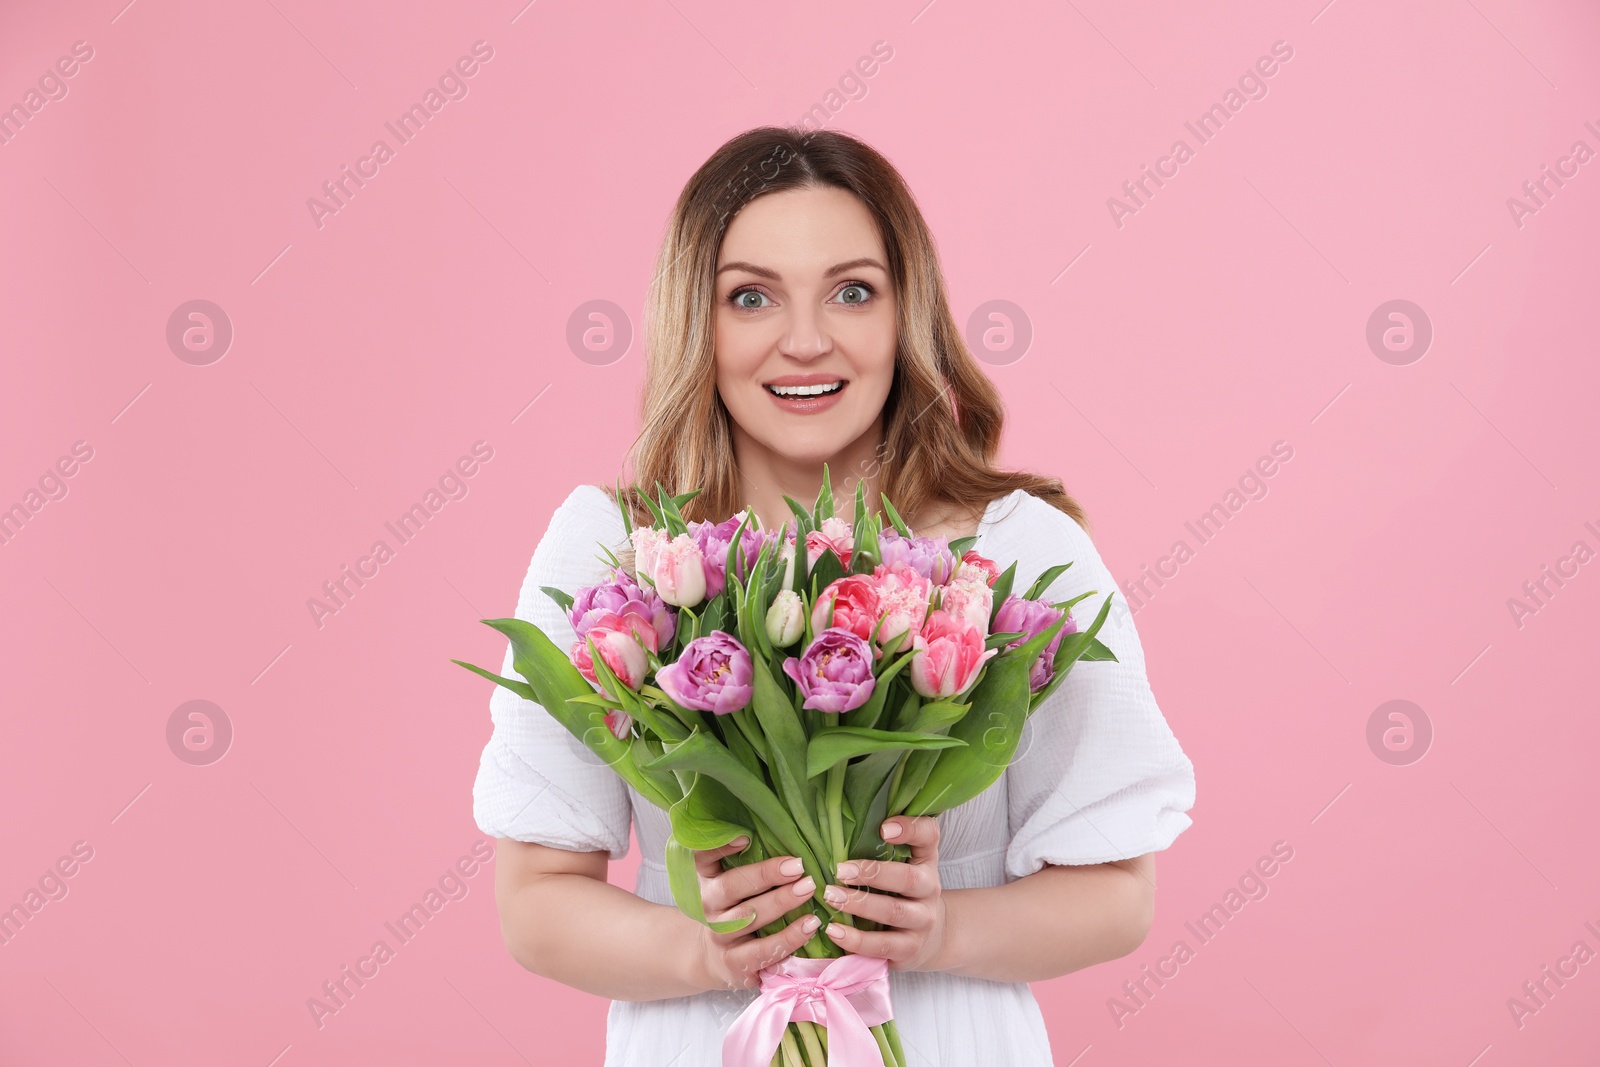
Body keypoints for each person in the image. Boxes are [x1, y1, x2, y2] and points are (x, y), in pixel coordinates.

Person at [472, 126, 1196, 1066]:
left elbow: (1118, 894)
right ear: (699, 319)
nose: (805, 340)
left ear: (908, 314)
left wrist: (941, 934)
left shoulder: (1013, 553)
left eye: (852, 291)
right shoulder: (615, 557)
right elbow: (533, 899)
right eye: (751, 296)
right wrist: (702, 947)